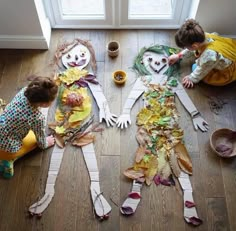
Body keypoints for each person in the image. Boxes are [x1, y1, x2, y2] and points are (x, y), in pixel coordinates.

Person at [0, 76, 58, 178]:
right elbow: (40, 140)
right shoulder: (38, 118)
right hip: (7, 146)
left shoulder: (23, 92)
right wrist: (46, 143)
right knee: (32, 140)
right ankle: (7, 161)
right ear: (44, 104)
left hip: (2, 124)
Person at [168, 19, 236, 88]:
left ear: (194, 46)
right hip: (228, 52)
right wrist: (179, 55)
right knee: (198, 58)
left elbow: (202, 70)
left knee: (195, 67)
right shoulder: (203, 36)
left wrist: (191, 78)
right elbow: (192, 48)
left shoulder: (209, 56)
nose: (186, 49)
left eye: (186, 47)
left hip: (227, 71)